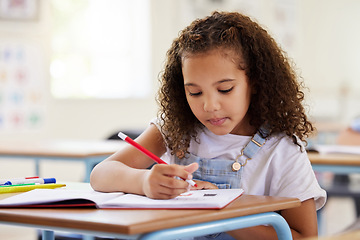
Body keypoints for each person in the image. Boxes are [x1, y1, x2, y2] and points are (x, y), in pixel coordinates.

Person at [90, 11, 326, 239]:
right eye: (194, 92)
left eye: (225, 89)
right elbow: (101, 174)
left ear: (254, 82)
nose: (209, 105)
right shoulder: (175, 129)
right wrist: (143, 182)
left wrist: (218, 211)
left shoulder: (282, 149)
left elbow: (305, 236)